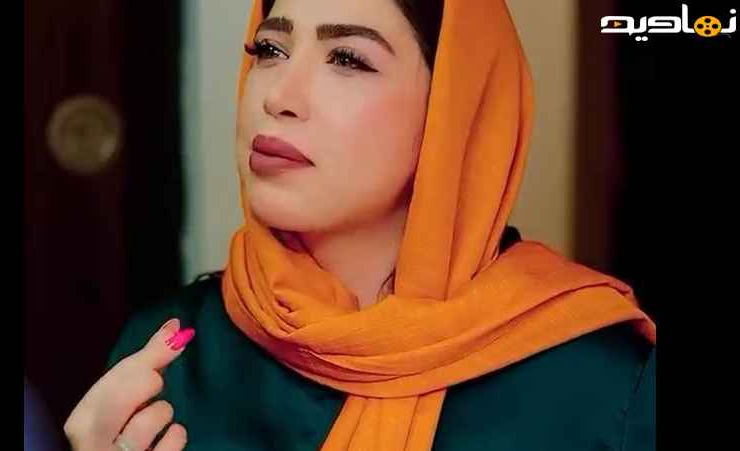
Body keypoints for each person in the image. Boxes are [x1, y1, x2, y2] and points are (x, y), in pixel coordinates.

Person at [64, 0, 656, 450]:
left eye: (347, 59)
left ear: (455, 107)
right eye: (270, 49)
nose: (279, 95)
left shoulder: (604, 387)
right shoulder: (164, 361)